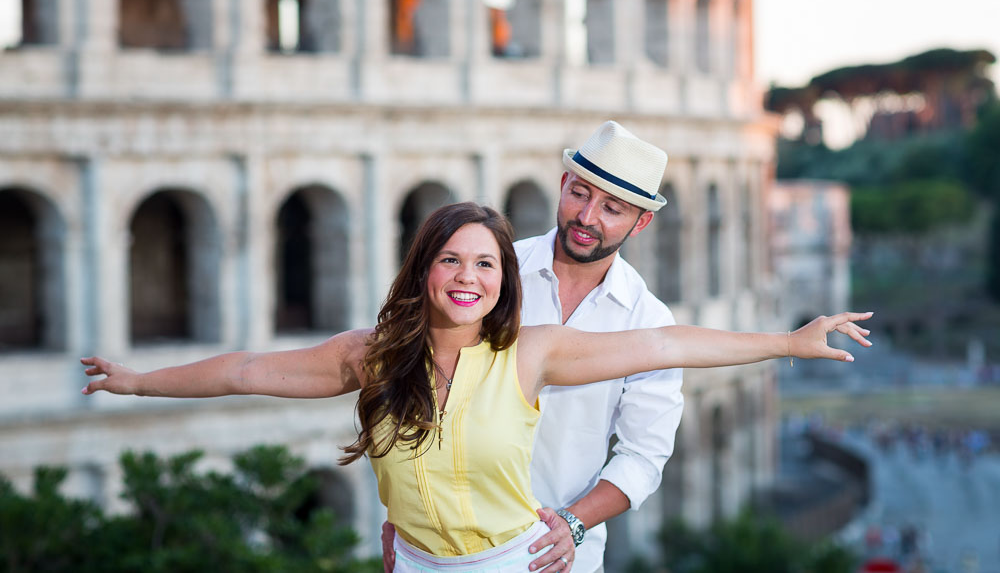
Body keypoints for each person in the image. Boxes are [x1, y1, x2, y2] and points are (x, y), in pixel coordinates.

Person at [81, 201, 873, 573]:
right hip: (417, 565)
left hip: (517, 564)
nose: (468, 276)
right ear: (424, 267)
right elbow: (246, 369)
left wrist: (788, 341)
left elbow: (666, 341)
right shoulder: (370, 356)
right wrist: (139, 382)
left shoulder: (533, 354)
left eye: (486, 263)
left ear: (505, 279)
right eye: (452, 259)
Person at [383, 120, 683, 573]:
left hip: (559, 558)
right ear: (562, 185)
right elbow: (416, 376)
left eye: (612, 208)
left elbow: (643, 456)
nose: (587, 217)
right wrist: (399, 515)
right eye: (580, 194)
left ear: (641, 223)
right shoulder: (490, 273)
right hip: (442, 553)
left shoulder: (649, 320)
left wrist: (573, 523)